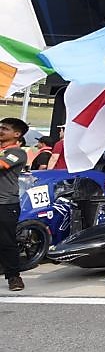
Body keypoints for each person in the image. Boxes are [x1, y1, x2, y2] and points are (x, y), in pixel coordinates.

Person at [0, 117, 31, 291]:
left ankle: (14, 277)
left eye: (5, 128)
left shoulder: (17, 153)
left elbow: (2, 164)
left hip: (5, 203)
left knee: (6, 241)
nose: (1, 130)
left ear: (16, 134)